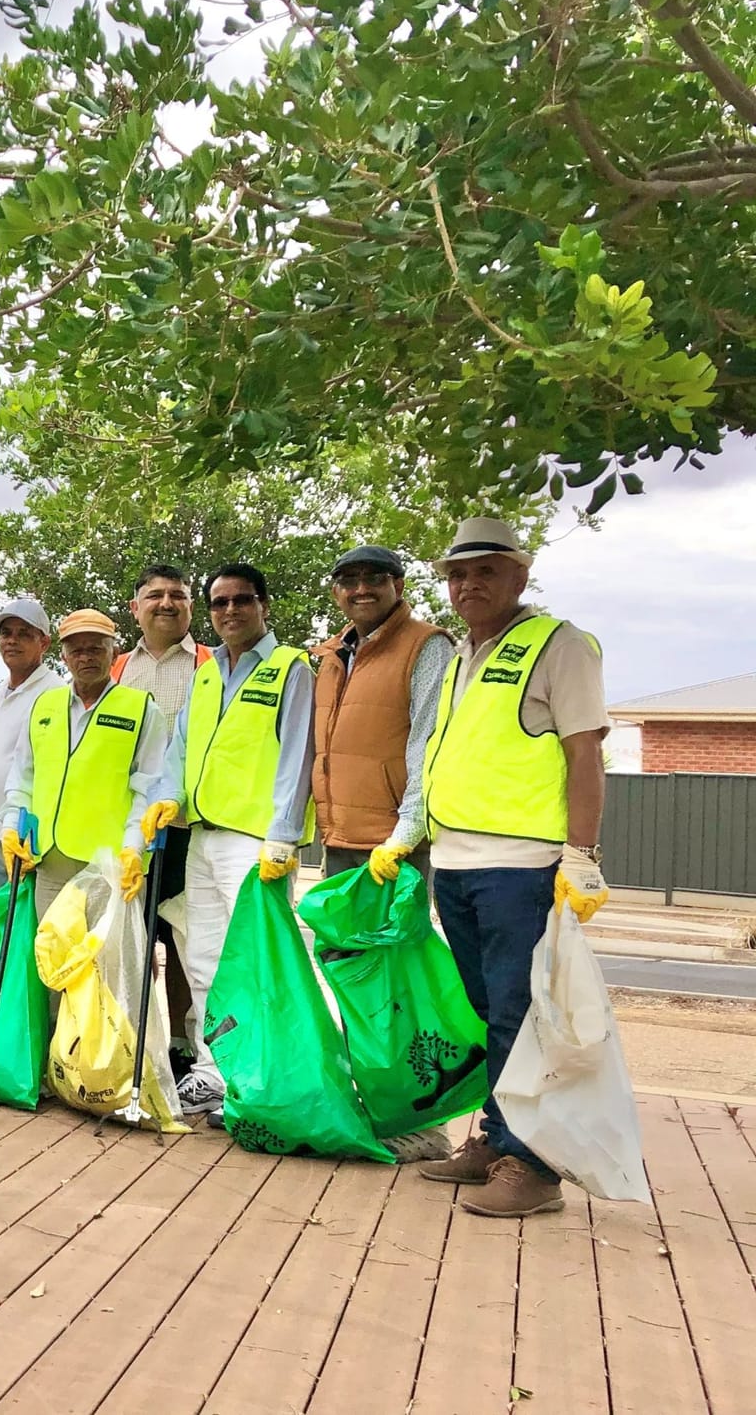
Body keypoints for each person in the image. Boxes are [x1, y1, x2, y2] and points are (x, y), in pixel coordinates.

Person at [416, 518, 608, 1218]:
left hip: (520, 865)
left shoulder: (558, 646)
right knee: (489, 1011)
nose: (469, 585)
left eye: (487, 571)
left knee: (521, 1017)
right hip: (459, 861)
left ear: (521, 576)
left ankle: (533, 1166)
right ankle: (498, 1139)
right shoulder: (462, 654)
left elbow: (585, 754)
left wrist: (581, 855)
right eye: (458, 575)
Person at [141, 564, 314, 1116]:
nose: (230, 611)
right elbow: (182, 747)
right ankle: (214, 1072)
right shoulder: (208, 670)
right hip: (202, 835)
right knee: (203, 958)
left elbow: (297, 755)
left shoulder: (291, 667)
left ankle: (255, 1076)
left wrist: (283, 836)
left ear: (264, 605)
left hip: (255, 842)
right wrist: (167, 799)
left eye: (242, 600)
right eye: (220, 603)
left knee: (253, 961)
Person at [3, 609, 167, 918]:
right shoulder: (43, 706)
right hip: (51, 861)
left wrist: (133, 848)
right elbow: (23, 777)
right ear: (63, 657)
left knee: (106, 963)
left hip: (112, 862)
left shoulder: (142, 709)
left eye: (96, 648)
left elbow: (150, 788)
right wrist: (11, 827)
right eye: (77, 650)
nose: (86, 657)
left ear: (114, 653)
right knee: (53, 959)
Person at [311, 546, 453, 881]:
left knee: (389, 936)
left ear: (399, 586)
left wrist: (405, 835)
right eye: (349, 581)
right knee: (338, 937)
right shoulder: (333, 656)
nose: (361, 589)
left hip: (394, 845)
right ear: (336, 593)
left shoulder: (427, 645)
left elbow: (430, 744)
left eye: (374, 578)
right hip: (338, 840)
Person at [111, 565, 204, 1073]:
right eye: (155, 595)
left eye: (178, 595)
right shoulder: (118, 667)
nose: (166, 603)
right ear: (136, 607)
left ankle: (184, 1048)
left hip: (190, 826)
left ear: (190, 605)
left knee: (186, 940)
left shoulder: (211, 665)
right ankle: (134, 1041)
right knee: (132, 936)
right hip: (129, 827)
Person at [0, 599, 65, 892]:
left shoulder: (55, 693)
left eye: (24, 633)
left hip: (27, 834)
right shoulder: (0, 691)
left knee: (21, 927)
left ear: (45, 643)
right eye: (6, 633)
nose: (12, 641)